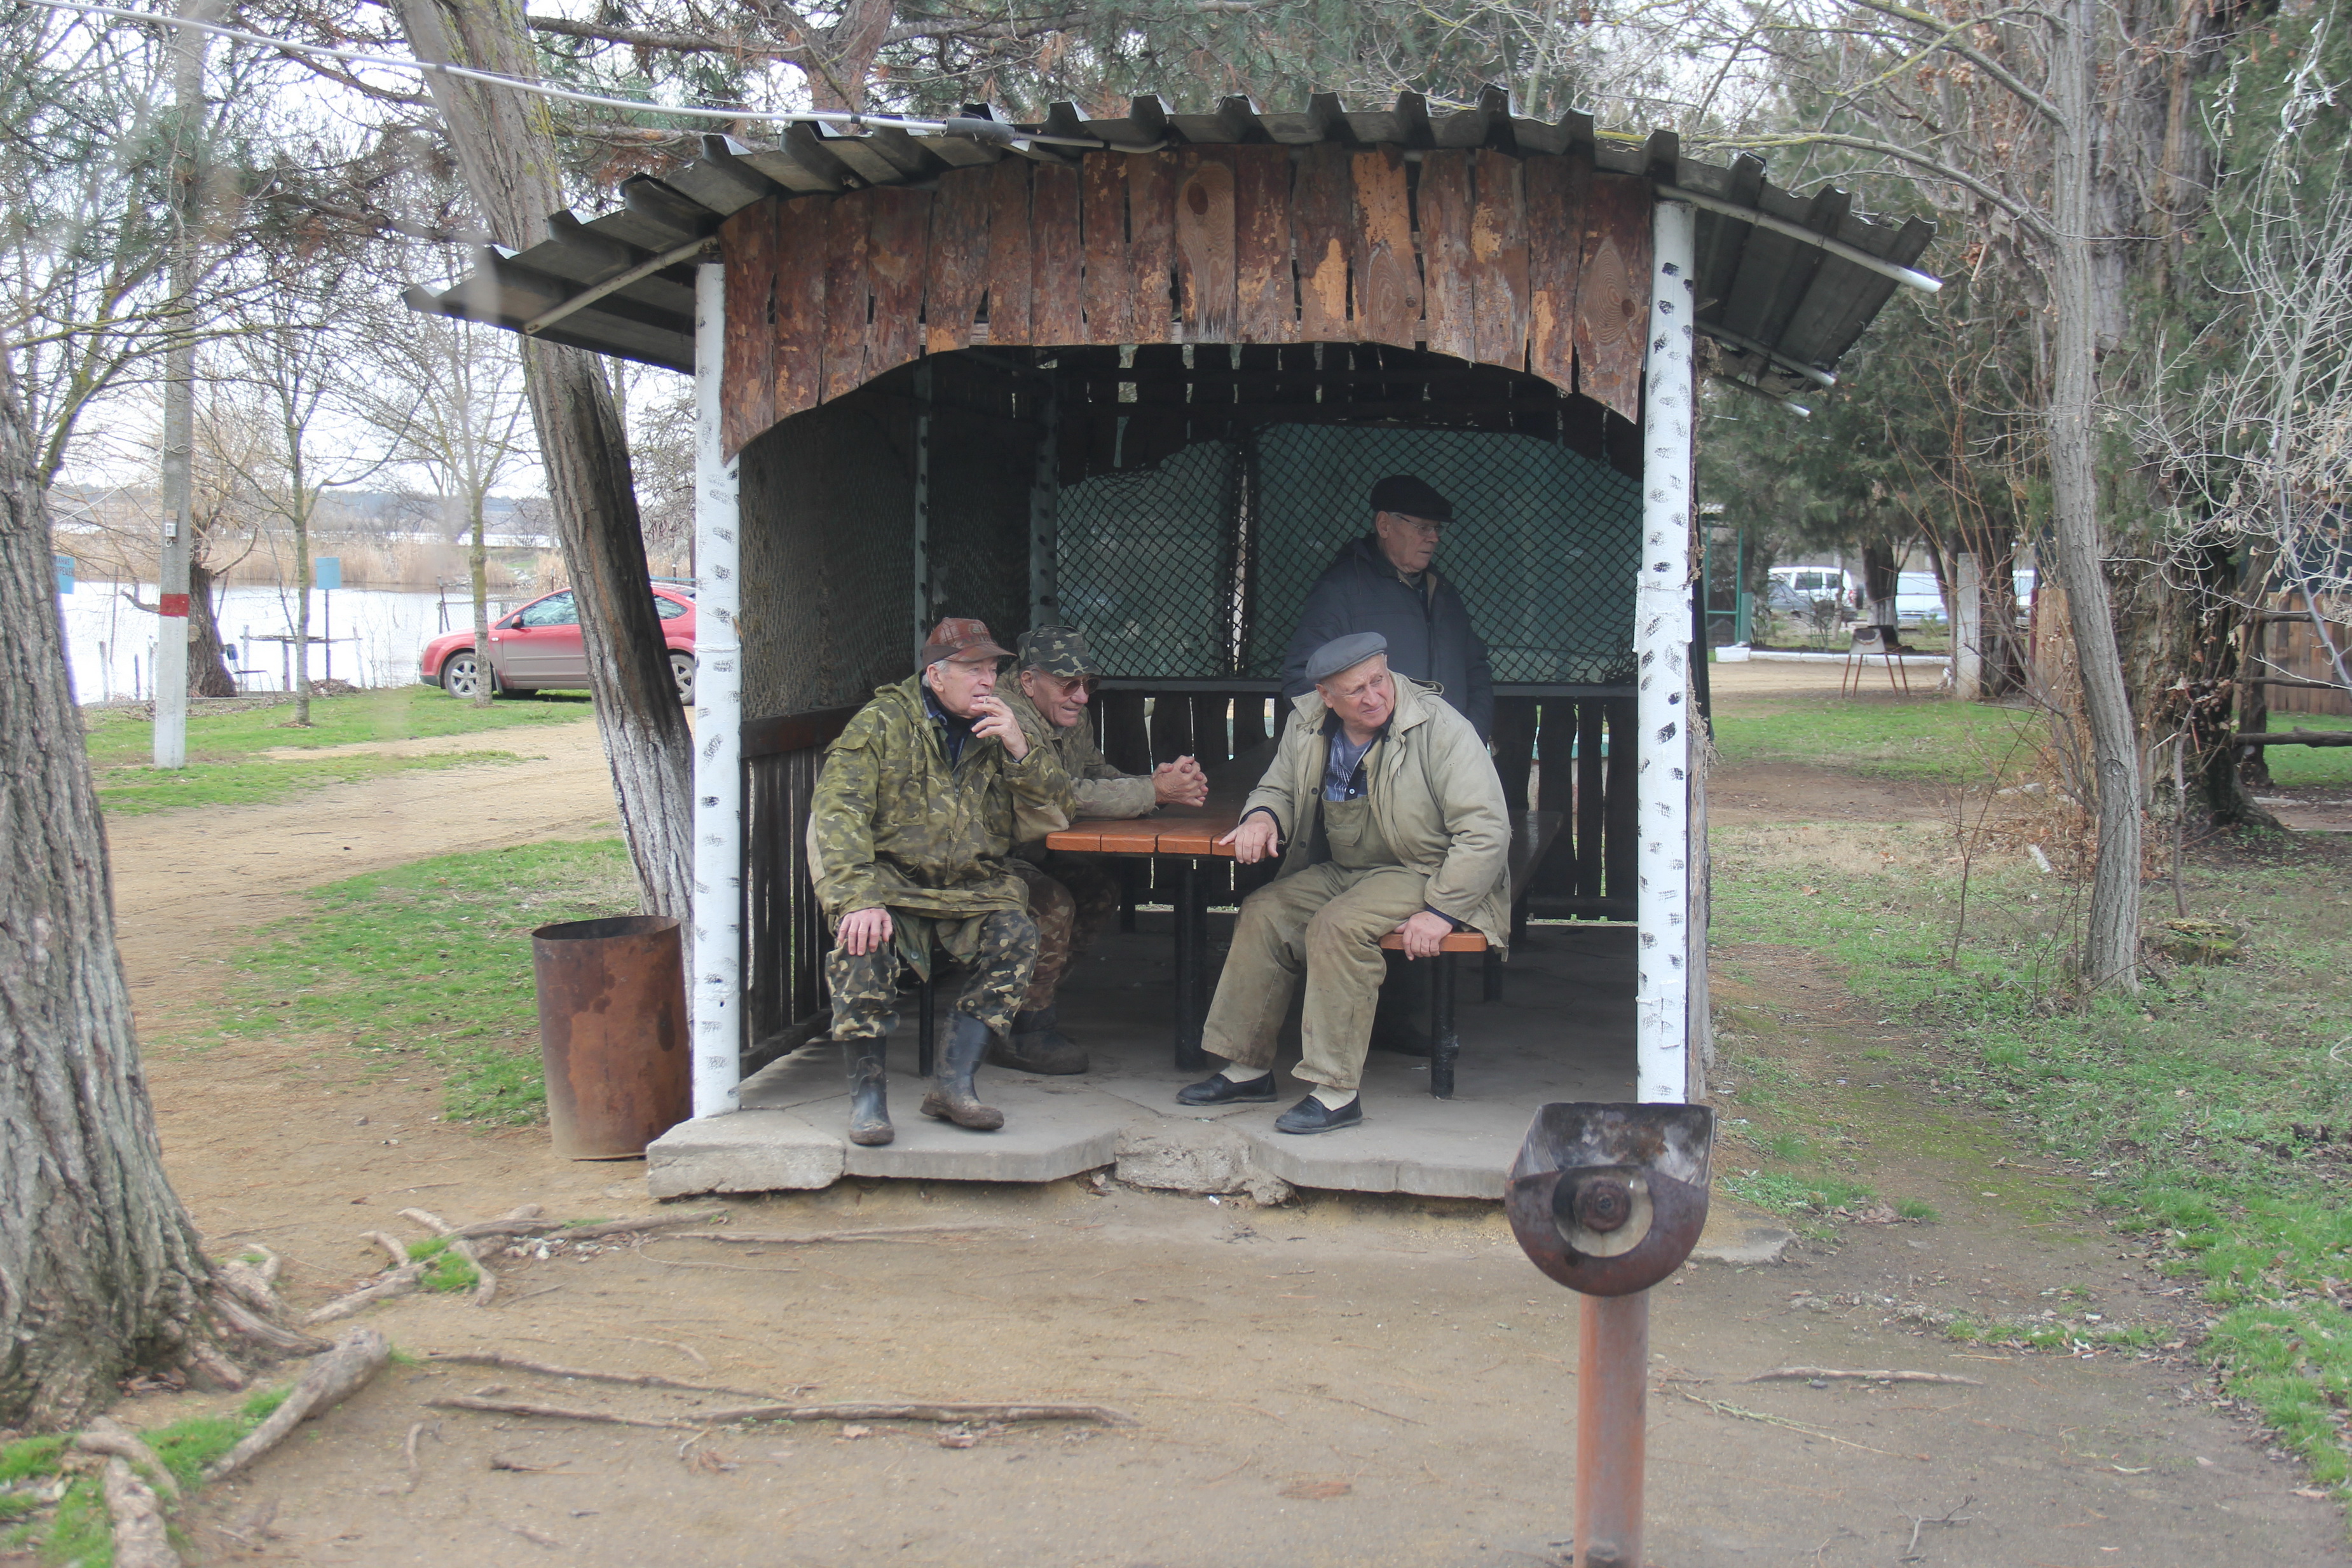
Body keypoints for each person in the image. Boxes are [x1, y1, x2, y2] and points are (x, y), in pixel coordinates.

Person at [1177, 633, 1509, 1134]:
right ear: (1326, 696)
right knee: (1265, 911)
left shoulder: (1440, 726)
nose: (1373, 696)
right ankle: (1247, 1068)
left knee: (1337, 927)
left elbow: (1486, 830)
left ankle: (1335, 1092)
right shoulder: (1307, 720)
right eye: (1356, 690)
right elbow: (1277, 787)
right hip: (1350, 867)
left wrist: (1442, 911)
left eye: (1379, 680)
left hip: (1425, 870)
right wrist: (1262, 816)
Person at [808, 617, 1077, 1147]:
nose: (988, 681)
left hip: (974, 885)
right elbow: (838, 813)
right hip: (892, 884)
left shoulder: (1000, 726)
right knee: (861, 945)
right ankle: (869, 1099)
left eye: (993, 669)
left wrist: (1022, 749)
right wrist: (857, 898)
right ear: (936, 675)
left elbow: (1060, 806)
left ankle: (954, 1085)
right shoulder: (883, 723)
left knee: (1017, 934)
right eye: (974, 670)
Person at [995, 624, 1208, 1075]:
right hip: (989, 852)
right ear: (1029, 681)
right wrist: (1153, 792)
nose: (1081, 696)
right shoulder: (1007, 716)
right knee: (1052, 903)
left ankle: (1022, 1003)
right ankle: (1024, 1031)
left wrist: (1152, 783)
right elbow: (1060, 796)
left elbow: (1093, 771)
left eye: (1088, 683)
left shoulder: (1066, 710)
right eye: (1068, 684)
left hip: (1031, 846)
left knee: (1098, 888)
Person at [1278, 473, 1494, 742]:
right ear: (1384, 525)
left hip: (1449, 753)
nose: (1434, 538)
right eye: (1423, 528)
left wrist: (1472, 737)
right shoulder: (1342, 588)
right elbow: (1304, 680)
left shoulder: (1443, 592)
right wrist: (1363, 747)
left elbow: (1476, 671)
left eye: (1437, 529)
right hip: (1379, 758)